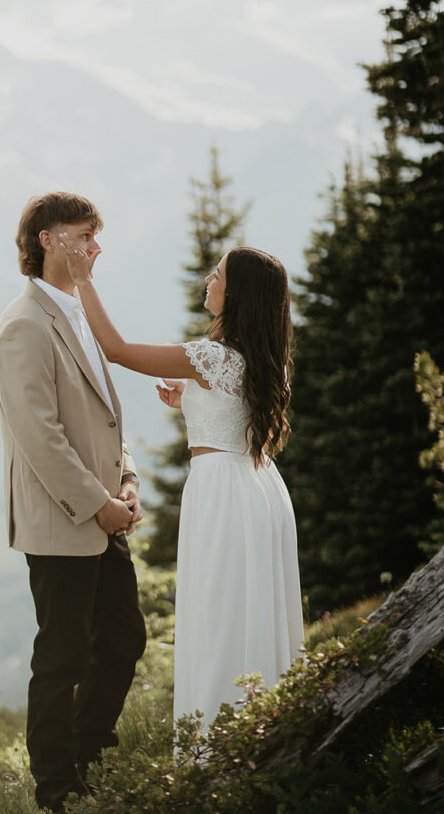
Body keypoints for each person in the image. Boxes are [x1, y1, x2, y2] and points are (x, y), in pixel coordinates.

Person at [58, 238, 304, 731]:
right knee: (248, 608)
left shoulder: (211, 355)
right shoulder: (262, 355)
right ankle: (260, 727)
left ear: (237, 295)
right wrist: (190, 402)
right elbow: (236, 416)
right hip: (258, 487)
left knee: (219, 611)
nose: (209, 280)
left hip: (222, 494)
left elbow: (118, 350)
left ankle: (216, 741)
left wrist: (82, 278)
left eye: (218, 275)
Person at [0, 192, 146, 813]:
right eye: (85, 236)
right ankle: (56, 789)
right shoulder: (23, 324)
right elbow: (39, 435)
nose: (95, 248)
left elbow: (107, 421)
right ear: (48, 239)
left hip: (107, 512)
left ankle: (87, 759)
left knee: (125, 638)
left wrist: (127, 479)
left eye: (96, 236)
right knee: (62, 656)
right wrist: (98, 504)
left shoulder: (77, 311)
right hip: (62, 520)